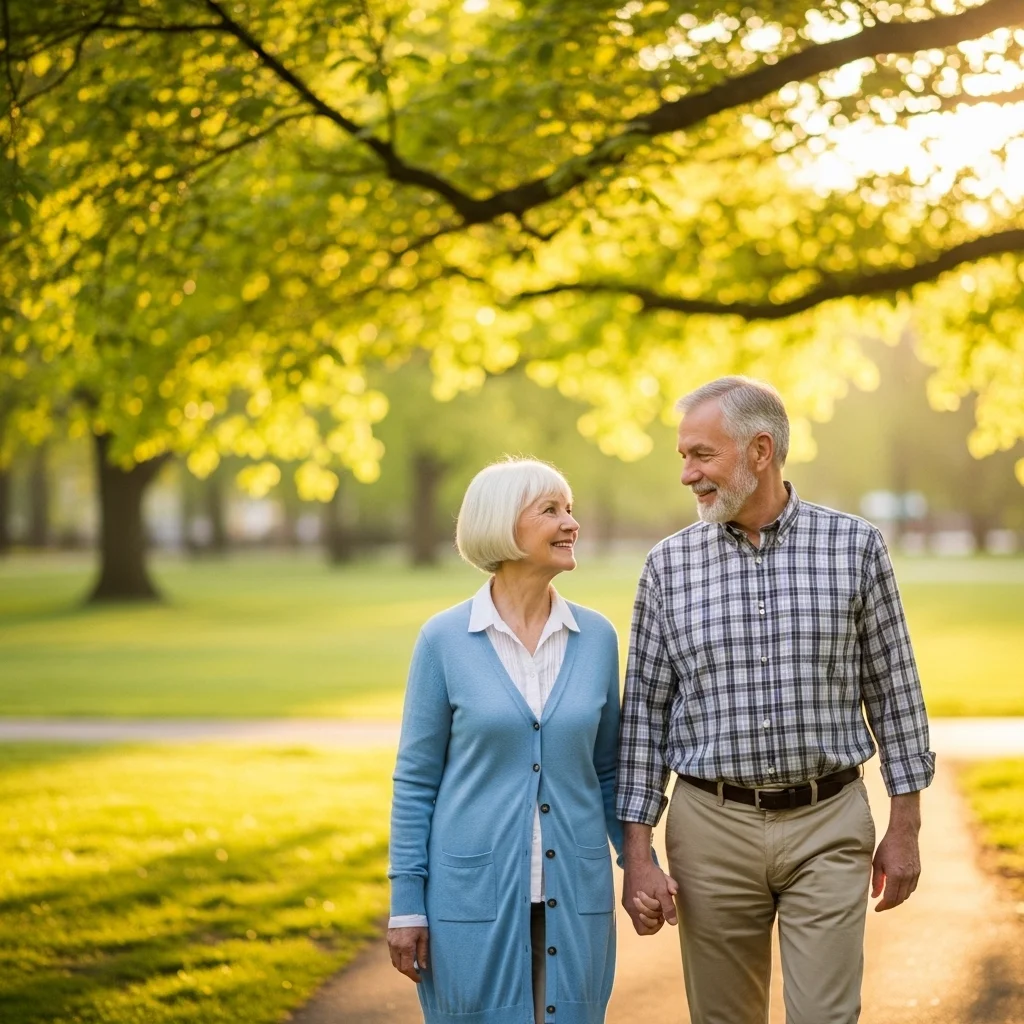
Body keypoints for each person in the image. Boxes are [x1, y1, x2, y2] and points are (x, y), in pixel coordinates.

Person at [616, 376, 935, 1024]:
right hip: (711, 829)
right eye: (684, 455)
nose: (687, 473)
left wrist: (906, 829)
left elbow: (897, 692)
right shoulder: (667, 567)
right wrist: (639, 856)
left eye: (701, 454)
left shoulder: (855, 547)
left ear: (760, 451)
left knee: (826, 1016)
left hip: (829, 824)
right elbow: (644, 718)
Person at [387, 457, 624, 1024]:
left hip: (576, 890)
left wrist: (639, 863)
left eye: (570, 509)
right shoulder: (444, 640)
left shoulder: (597, 639)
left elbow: (610, 770)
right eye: (550, 511)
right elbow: (416, 781)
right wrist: (405, 907)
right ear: (502, 526)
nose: (571, 523)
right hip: (471, 897)